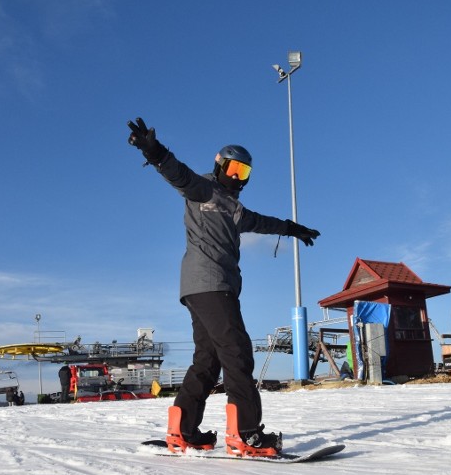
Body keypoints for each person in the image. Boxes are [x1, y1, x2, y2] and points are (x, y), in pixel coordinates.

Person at [127, 117, 320, 457]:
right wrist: (154, 150)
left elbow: (263, 222)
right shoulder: (202, 189)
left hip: (207, 287)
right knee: (236, 351)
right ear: (218, 165)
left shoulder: (236, 208)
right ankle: (246, 433)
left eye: (242, 173)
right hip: (210, 283)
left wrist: (293, 228)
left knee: (208, 359)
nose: (235, 177)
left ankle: (182, 430)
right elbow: (177, 172)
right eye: (232, 169)